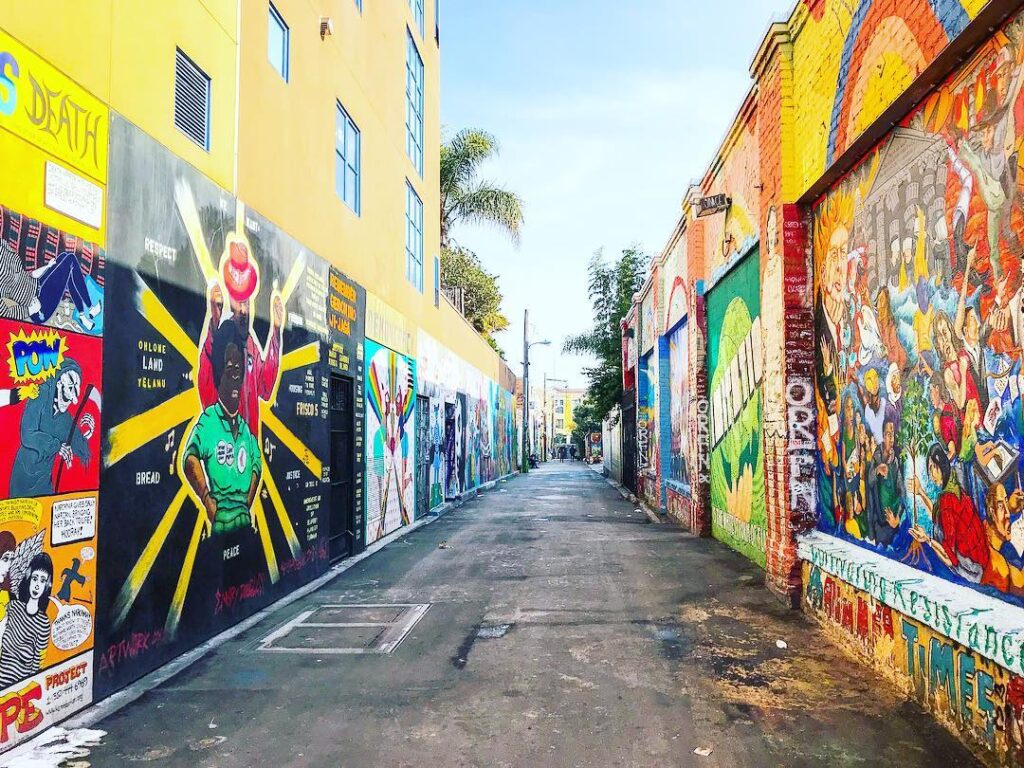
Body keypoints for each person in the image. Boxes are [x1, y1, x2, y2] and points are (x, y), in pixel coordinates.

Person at [198, 239, 283, 437]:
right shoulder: (222, 339)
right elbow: (206, 387)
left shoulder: (251, 344)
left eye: (246, 303)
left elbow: (265, 387)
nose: (244, 310)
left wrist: (276, 332)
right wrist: (214, 322)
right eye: (239, 304)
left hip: (249, 451)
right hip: (226, 453)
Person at [184, 321, 262, 536]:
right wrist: (208, 500)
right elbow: (189, 459)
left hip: (245, 525)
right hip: (221, 528)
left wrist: (244, 503)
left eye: (239, 368)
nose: (236, 376)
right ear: (219, 374)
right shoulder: (209, 421)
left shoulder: (245, 430)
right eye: (229, 369)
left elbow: (257, 462)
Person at [9, 359, 94, 498]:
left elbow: (80, 447)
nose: (75, 397)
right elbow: (27, 434)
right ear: (59, 384)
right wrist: (56, 446)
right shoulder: (40, 395)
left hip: (44, 483)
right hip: (23, 479)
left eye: (77, 387)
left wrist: (88, 434)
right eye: (71, 387)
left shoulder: (65, 419)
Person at [910, 445, 989, 583]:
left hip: (972, 569)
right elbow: (937, 516)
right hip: (979, 560)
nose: (930, 475)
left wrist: (927, 539)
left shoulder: (947, 500)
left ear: (940, 465)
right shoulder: (952, 486)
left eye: (932, 468)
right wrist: (921, 492)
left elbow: (949, 558)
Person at [0, 242, 102, 331]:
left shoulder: (3, 246)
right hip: (40, 306)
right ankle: (89, 308)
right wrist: (31, 310)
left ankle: (83, 316)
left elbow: (27, 275)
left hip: (40, 284)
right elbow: (5, 313)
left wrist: (48, 266)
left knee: (63, 257)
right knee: (70, 260)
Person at [0, 552, 52, 687]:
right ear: (29, 578)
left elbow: (36, 668)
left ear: (47, 585)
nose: (37, 585)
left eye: (42, 580)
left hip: (20, 692)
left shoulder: (43, 623)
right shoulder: (13, 607)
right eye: (35, 578)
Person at [982, 482, 1024, 593]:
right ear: (991, 512)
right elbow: (1020, 584)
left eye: (1006, 500)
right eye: (1001, 506)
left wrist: (1007, 507)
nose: (1008, 514)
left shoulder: (984, 528)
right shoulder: (1000, 567)